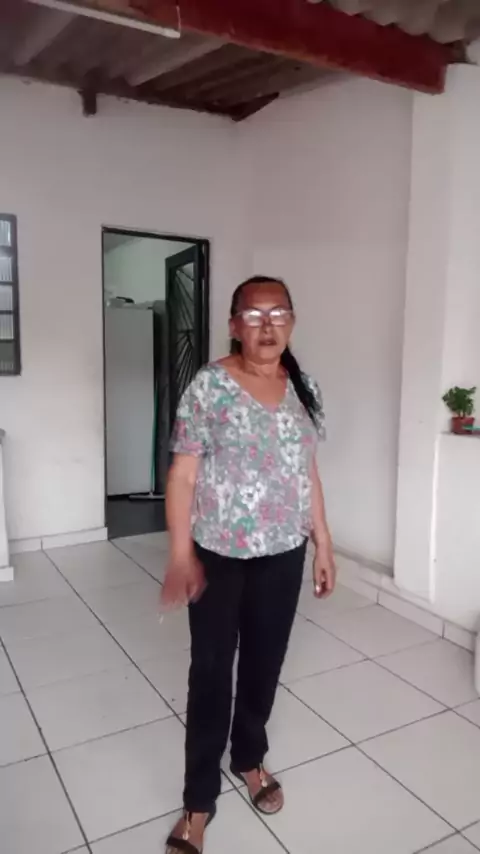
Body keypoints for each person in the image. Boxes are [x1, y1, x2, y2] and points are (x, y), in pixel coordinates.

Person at [162, 276, 335, 854]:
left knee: (264, 662)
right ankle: (198, 799)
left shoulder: (303, 386)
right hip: (219, 554)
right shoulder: (210, 386)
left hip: (284, 552)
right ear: (234, 325)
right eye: (254, 315)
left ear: (292, 321)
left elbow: (307, 472)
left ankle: (250, 757)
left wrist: (323, 542)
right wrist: (181, 553)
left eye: (278, 313)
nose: (267, 325)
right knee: (212, 672)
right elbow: (183, 475)